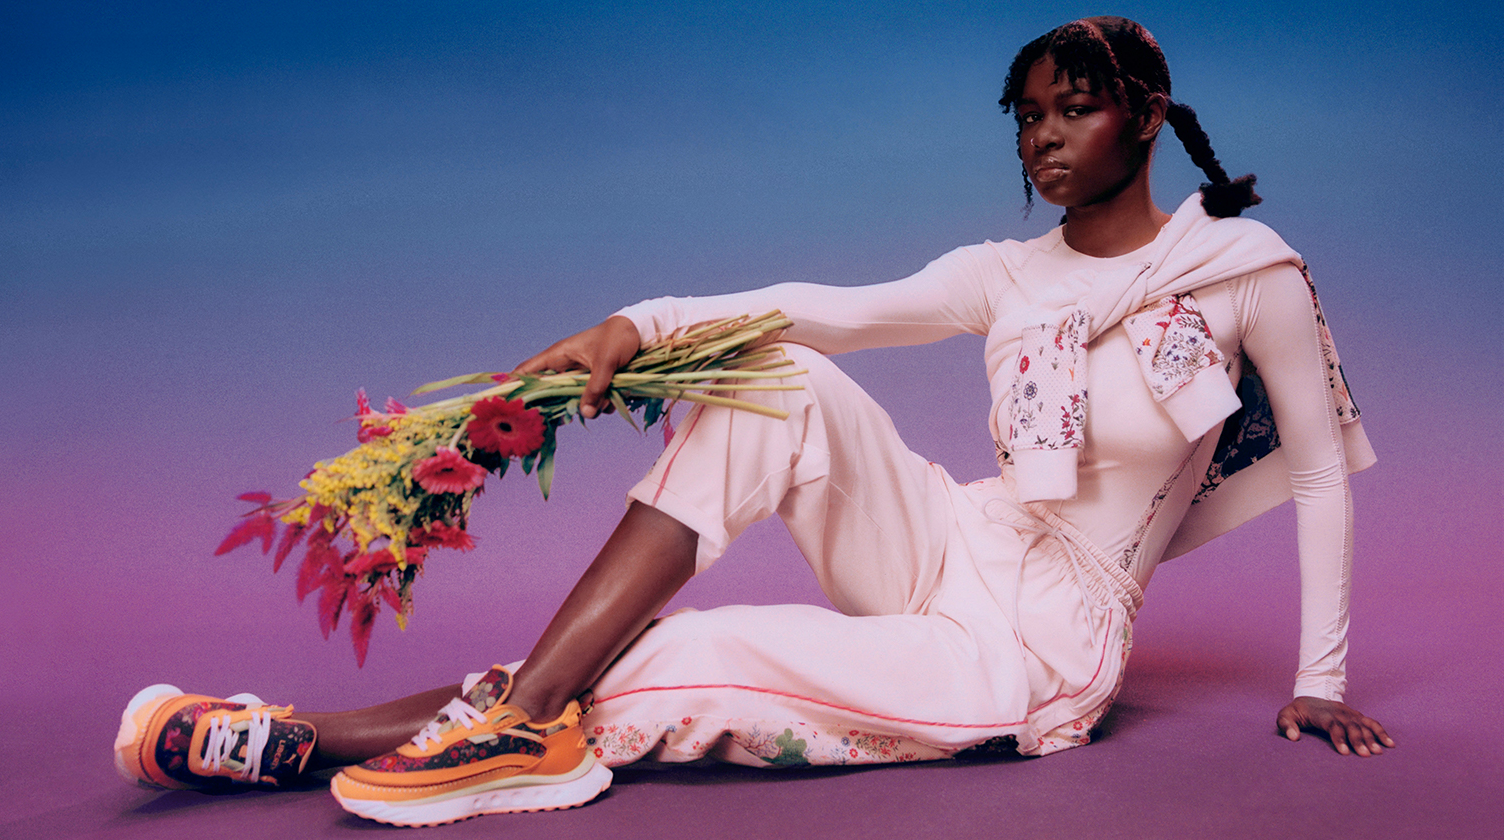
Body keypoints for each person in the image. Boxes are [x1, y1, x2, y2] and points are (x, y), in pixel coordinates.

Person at [113, 16, 1394, 827]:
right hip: (955, 538)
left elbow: (1319, 474)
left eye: (1075, 109)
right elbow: (819, 310)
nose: (1044, 139)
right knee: (775, 374)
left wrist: (1319, 684)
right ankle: (518, 723)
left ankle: (294, 739)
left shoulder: (1243, 274)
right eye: (1028, 117)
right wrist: (637, 325)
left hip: (1042, 643)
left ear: (1148, 118)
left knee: (685, 656)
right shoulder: (1006, 275)